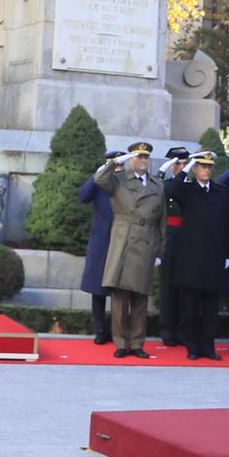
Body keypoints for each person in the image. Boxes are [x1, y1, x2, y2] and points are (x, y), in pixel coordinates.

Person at [92, 142, 166, 358]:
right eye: (138, 157)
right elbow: (99, 180)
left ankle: (137, 344)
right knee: (120, 298)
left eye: (145, 158)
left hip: (146, 241)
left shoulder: (157, 185)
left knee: (140, 299)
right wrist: (114, 163)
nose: (142, 161)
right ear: (131, 160)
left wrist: (160, 250)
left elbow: (162, 220)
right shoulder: (119, 180)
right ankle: (121, 342)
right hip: (124, 241)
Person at [167, 149, 229, 361]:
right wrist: (186, 166)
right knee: (190, 306)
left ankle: (208, 345)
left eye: (208, 167)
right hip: (191, 258)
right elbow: (171, 189)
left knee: (211, 307)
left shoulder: (220, 192)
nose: (206, 170)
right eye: (202, 166)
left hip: (213, 257)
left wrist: (228, 254)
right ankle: (192, 345)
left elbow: (227, 223)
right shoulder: (186, 190)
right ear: (195, 169)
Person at [77, 151, 118, 346]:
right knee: (98, 290)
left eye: (119, 166)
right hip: (101, 241)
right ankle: (100, 330)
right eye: (113, 165)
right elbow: (83, 196)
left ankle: (116, 330)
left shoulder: (125, 184)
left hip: (120, 241)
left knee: (120, 291)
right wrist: (99, 173)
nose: (116, 169)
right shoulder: (99, 184)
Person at [156, 146, 191, 348]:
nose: (181, 167)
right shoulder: (166, 185)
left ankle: (183, 330)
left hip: (188, 243)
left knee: (186, 291)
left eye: (185, 163)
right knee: (168, 289)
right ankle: (167, 329)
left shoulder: (193, 186)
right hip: (170, 242)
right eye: (177, 163)